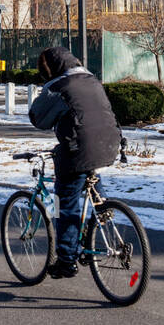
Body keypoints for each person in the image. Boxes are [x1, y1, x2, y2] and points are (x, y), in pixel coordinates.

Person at [28, 45, 123, 278]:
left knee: (64, 204)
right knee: (91, 180)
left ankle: (66, 260)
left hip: (79, 149)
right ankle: (99, 218)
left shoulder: (59, 86)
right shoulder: (92, 80)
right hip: (110, 144)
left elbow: (37, 118)